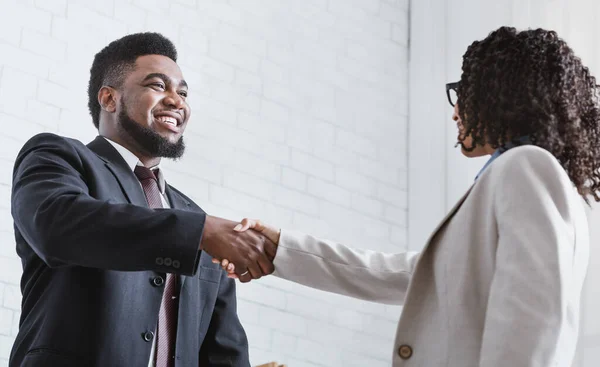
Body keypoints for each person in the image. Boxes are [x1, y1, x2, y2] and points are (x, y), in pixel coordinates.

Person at [216, 27, 600, 366]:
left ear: (501, 94)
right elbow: (399, 273)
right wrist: (281, 248)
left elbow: (533, 321)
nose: (455, 114)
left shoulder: (526, 167)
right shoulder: (515, 179)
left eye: (462, 92)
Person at [9, 32, 276, 367]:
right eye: (157, 85)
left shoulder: (198, 218)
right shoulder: (58, 156)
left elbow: (222, 353)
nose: (177, 101)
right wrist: (201, 232)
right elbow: (57, 227)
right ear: (109, 98)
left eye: (183, 92)